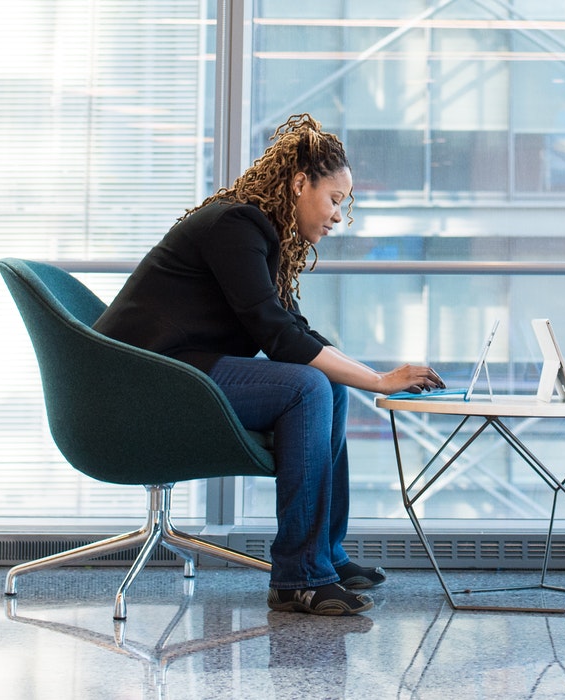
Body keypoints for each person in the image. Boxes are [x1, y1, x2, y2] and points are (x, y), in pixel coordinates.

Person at [95, 114, 444, 616]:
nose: (339, 217)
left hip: (181, 370)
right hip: (143, 379)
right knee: (307, 386)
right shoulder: (236, 225)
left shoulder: (259, 232)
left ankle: (324, 556)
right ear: (300, 183)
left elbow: (293, 331)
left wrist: (372, 376)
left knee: (325, 383)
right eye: (335, 200)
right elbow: (278, 339)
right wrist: (377, 382)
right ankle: (299, 578)